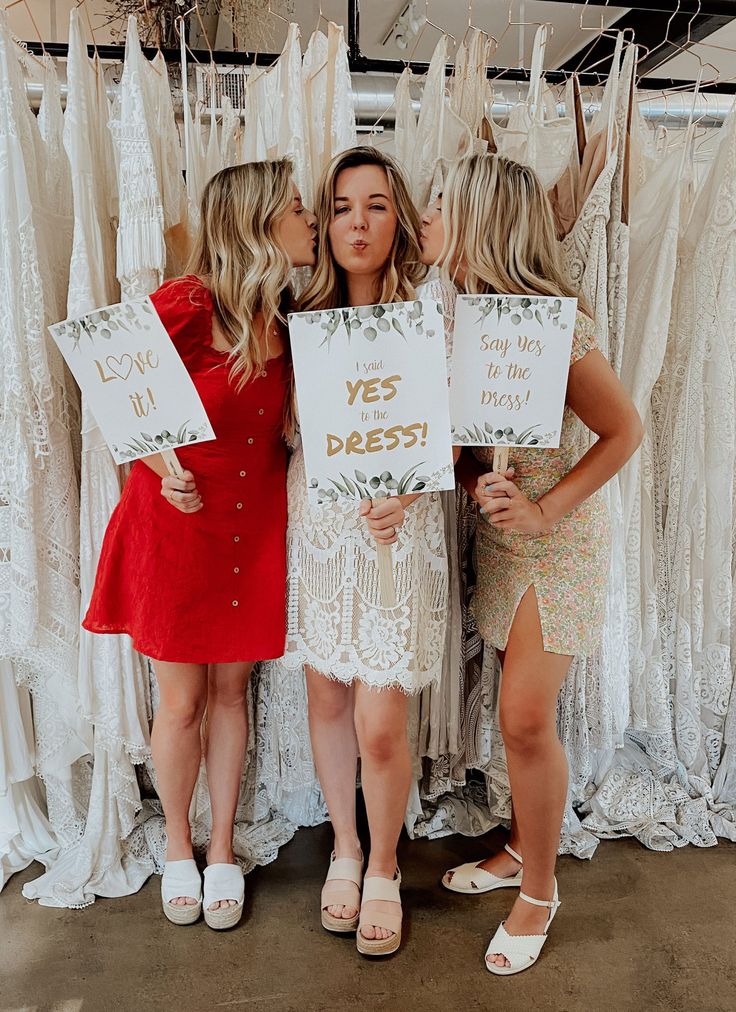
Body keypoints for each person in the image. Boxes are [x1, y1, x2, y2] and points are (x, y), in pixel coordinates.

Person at [421, 153, 643, 975]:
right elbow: (472, 460)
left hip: (560, 545)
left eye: (441, 202)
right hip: (502, 540)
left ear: (480, 219)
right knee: (512, 709)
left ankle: (541, 889)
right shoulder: (461, 321)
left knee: (521, 717)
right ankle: (520, 844)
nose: (426, 217)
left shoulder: (560, 324)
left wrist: (547, 508)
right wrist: (476, 477)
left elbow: (624, 432)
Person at [83, 160, 317, 929]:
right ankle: (177, 846)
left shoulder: (287, 313)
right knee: (181, 702)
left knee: (231, 693)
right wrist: (161, 466)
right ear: (256, 222)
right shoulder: (187, 303)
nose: (309, 219)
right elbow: (111, 386)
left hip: (252, 529)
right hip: (178, 524)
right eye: (295, 208)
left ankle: (222, 848)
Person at [285, 146, 450, 957]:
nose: (359, 221)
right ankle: (344, 848)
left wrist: (415, 486)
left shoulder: (432, 312)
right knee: (326, 699)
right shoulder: (298, 314)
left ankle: (385, 861)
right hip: (320, 524)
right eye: (344, 206)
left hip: (396, 529)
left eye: (377, 205)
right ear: (326, 219)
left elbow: (458, 433)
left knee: (381, 719)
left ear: (399, 217)